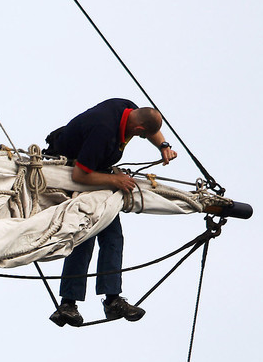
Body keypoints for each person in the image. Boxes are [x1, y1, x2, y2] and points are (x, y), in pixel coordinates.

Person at [43, 99, 177, 326]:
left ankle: (111, 300)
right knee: (86, 232)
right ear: (137, 129)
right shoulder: (103, 132)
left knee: (112, 236)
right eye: (142, 136)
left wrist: (163, 146)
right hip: (72, 171)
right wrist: (115, 179)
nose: (141, 139)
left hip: (96, 169)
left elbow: (149, 123)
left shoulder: (126, 108)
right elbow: (79, 176)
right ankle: (69, 304)